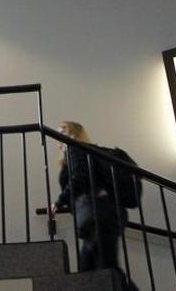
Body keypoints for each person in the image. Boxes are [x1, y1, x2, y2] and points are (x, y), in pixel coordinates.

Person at [51, 121, 137, 289]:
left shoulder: (75, 148)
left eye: (63, 131)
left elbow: (80, 178)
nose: (58, 136)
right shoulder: (86, 152)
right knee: (89, 271)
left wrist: (59, 202)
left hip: (99, 214)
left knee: (105, 271)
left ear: (73, 133)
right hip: (102, 215)